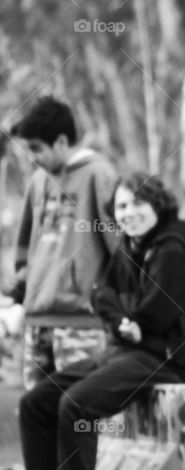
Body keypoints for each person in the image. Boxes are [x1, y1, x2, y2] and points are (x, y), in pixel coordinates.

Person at [0, 172, 185, 470]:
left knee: (76, 404)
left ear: (158, 205)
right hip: (124, 349)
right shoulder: (131, 247)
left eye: (137, 204)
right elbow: (101, 293)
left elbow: (159, 312)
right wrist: (121, 319)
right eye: (122, 206)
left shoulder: (174, 248)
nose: (128, 212)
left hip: (164, 357)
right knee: (37, 402)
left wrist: (129, 318)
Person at [0, 97, 119, 388]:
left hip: (81, 324)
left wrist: (115, 307)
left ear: (62, 141)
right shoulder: (38, 183)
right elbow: (26, 250)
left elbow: (120, 249)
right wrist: (17, 295)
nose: (31, 157)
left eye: (36, 148)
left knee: (79, 414)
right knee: (36, 414)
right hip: (37, 321)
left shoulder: (99, 175)